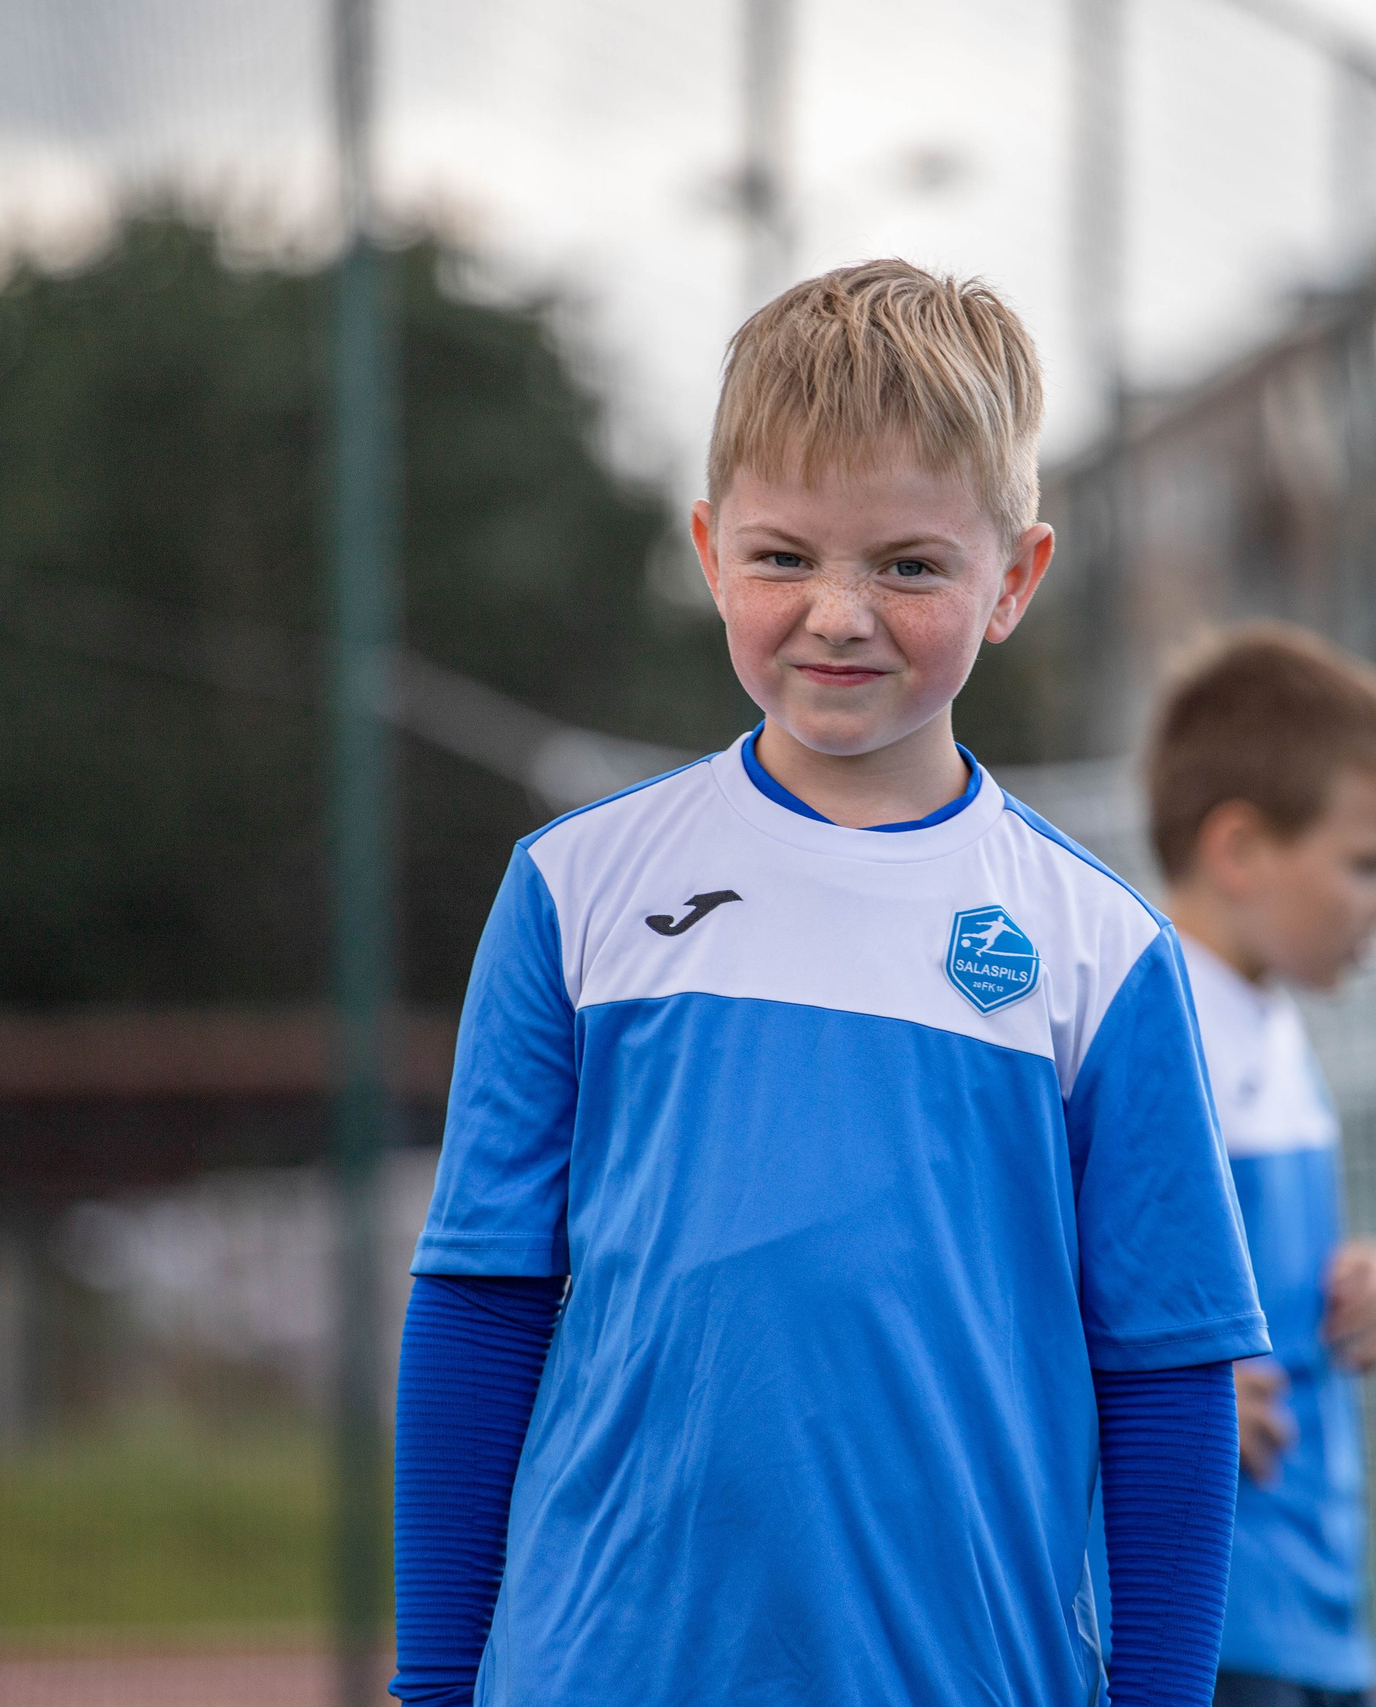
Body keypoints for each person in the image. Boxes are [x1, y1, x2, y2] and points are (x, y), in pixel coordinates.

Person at [391, 260, 1271, 1707]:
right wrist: (436, 1683)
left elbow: (1168, 1371)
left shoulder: (1100, 953)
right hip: (596, 1669)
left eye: (909, 564)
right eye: (784, 555)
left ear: (1016, 579)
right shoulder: (573, 891)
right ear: (707, 547)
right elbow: (484, 1299)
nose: (839, 613)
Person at [1139, 624, 1376, 1707]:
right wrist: (1160, 1387)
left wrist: (1374, 1282)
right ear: (1240, 851)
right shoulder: (1142, 1024)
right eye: (1369, 863)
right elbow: (1023, 1276)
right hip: (1208, 1618)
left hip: (1313, 1612)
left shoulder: (1269, 1021)